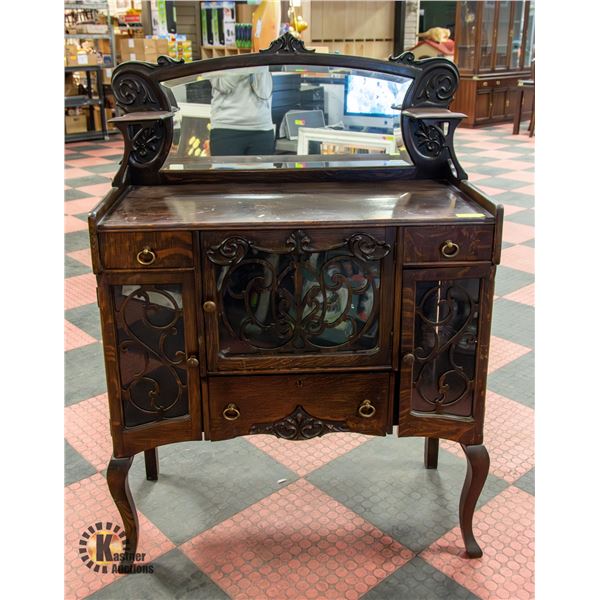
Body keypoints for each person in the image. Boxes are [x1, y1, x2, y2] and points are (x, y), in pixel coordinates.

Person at [206, 67, 275, 156]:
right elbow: (224, 85)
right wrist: (248, 63)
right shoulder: (212, 55)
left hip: (262, 127)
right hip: (227, 127)